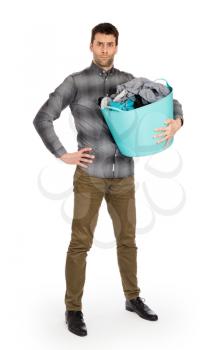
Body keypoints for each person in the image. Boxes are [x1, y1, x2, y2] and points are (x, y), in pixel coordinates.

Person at [33, 22, 184, 337]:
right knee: (80, 244)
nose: (105, 49)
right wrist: (63, 153)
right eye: (99, 44)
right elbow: (43, 117)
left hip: (124, 177)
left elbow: (170, 100)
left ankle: (132, 298)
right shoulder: (75, 82)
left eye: (110, 44)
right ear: (91, 46)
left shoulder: (129, 81)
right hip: (90, 177)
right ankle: (73, 309)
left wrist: (176, 122)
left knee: (128, 241)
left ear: (117, 46)